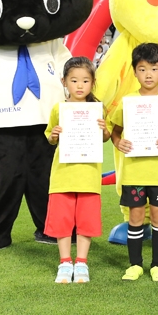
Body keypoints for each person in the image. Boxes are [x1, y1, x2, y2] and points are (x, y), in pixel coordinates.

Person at [111, 43, 158, 282]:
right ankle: (135, 265)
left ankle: (157, 265)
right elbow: (116, 131)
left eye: (153, 69)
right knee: (135, 218)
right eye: (142, 69)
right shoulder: (127, 102)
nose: (148, 74)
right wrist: (118, 142)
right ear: (135, 71)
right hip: (134, 172)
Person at [44, 57, 110, 284]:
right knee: (62, 220)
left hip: (89, 176)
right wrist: (54, 135)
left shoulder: (98, 109)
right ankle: (64, 262)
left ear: (92, 83)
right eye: (74, 80)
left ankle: (81, 262)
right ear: (64, 82)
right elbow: (50, 137)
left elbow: (105, 138)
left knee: (86, 220)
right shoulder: (58, 109)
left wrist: (103, 130)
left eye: (85, 80)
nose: (80, 85)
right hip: (62, 176)